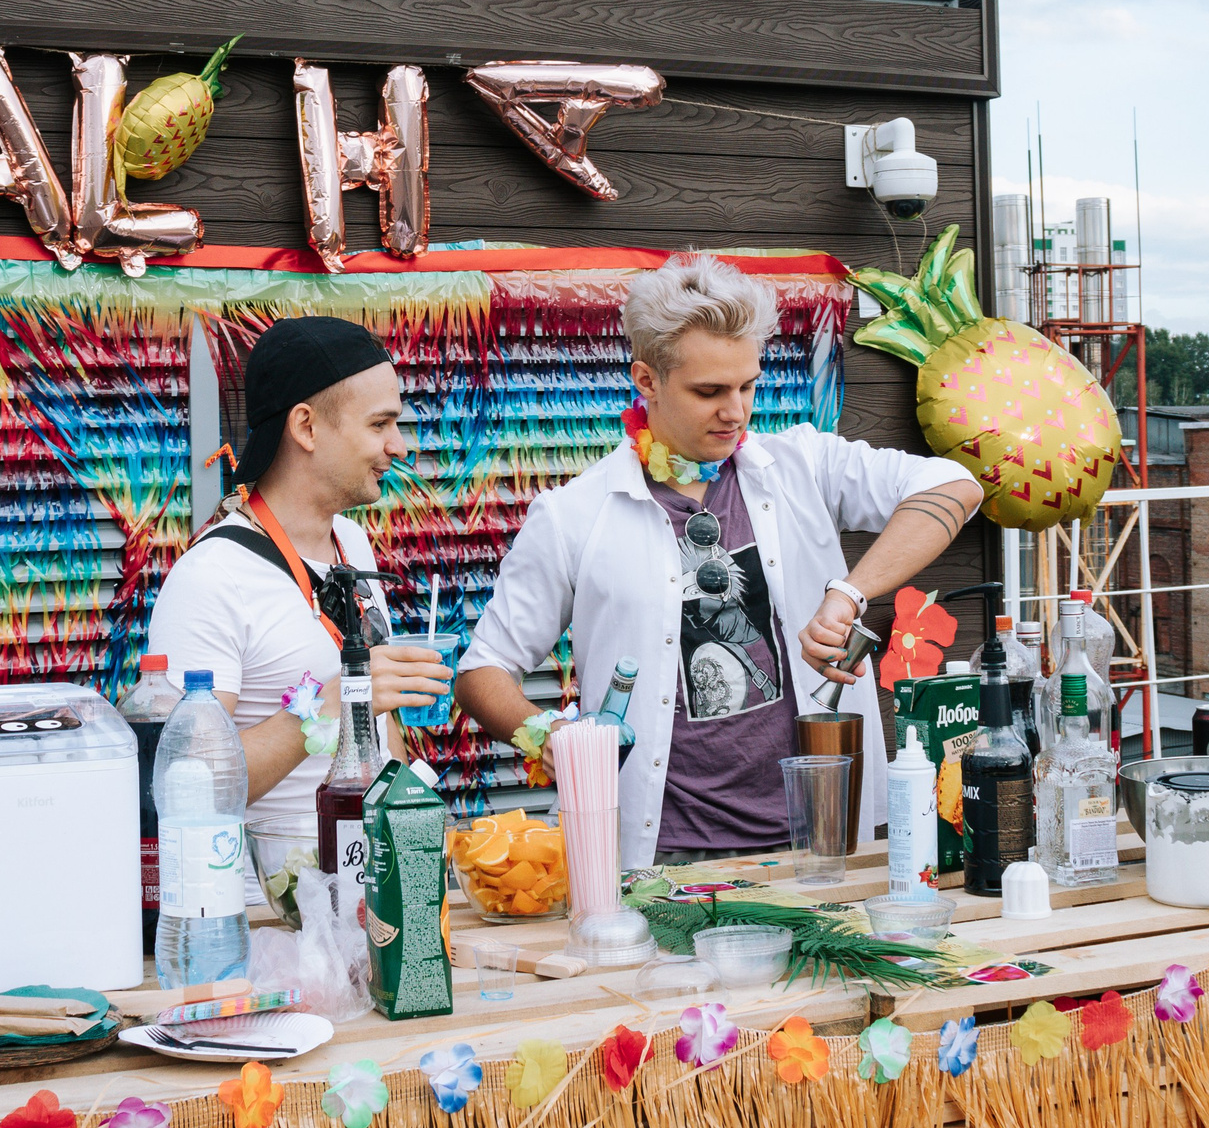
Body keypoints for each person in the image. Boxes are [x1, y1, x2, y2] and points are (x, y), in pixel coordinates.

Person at [455, 254, 982, 867]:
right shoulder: (573, 515)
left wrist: (849, 593)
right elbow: (483, 671)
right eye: (709, 392)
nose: (735, 412)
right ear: (646, 380)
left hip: (825, 837)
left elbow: (955, 486)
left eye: (747, 385)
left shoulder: (801, 465)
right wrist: (546, 735)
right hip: (664, 854)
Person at [145, 316, 453, 837]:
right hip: (267, 908)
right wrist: (331, 704)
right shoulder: (211, 577)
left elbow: (377, 729)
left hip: (365, 893)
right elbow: (184, 784)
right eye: (379, 425)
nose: (400, 446)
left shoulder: (350, 542)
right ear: (306, 426)